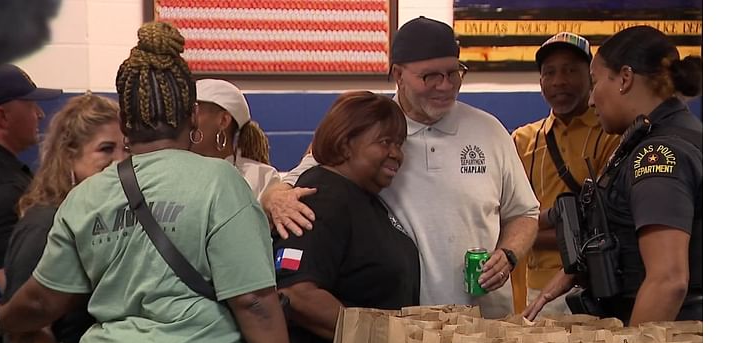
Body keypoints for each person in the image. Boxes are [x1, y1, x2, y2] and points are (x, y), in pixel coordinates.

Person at [0, 21, 298, 343]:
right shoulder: (220, 182)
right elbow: (252, 300)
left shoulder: (85, 197)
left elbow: (42, 300)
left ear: (124, 124)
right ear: (191, 119)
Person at [262, 16, 540, 318]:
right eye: (430, 76)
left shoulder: (490, 131)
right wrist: (274, 196)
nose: (445, 86)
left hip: (485, 323)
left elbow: (524, 213)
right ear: (398, 74)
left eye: (453, 73)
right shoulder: (365, 128)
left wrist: (509, 254)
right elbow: (297, 180)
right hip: (404, 329)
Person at [524, 25, 703, 325]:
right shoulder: (658, 138)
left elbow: (668, 281)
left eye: (595, 82)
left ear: (624, 79)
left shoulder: (657, 155)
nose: (592, 100)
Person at [273, 91, 420, 343]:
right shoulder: (323, 197)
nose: (397, 154)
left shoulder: (362, 198)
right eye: (385, 143)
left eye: (399, 144)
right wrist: (379, 338)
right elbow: (296, 292)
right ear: (345, 143)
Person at [0, 93, 127, 343]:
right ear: (69, 155)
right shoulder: (45, 223)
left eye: (126, 148)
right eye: (106, 149)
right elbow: (19, 327)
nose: (120, 160)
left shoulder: (105, 217)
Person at [510, 32, 620, 315]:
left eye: (571, 70)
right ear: (541, 82)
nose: (560, 80)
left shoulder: (611, 135)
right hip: (530, 290)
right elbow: (504, 219)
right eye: (550, 72)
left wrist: (525, 233)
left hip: (590, 286)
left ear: (591, 76)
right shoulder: (522, 140)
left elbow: (605, 225)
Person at [0, 63, 62, 343]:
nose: (40, 114)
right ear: (1, 117)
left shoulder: (10, 176)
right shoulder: (4, 189)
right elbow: (15, 289)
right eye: (30, 104)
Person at [193, 79, 281, 199]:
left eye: (194, 112)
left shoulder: (262, 177)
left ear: (224, 120)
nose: (185, 122)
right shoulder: (174, 171)